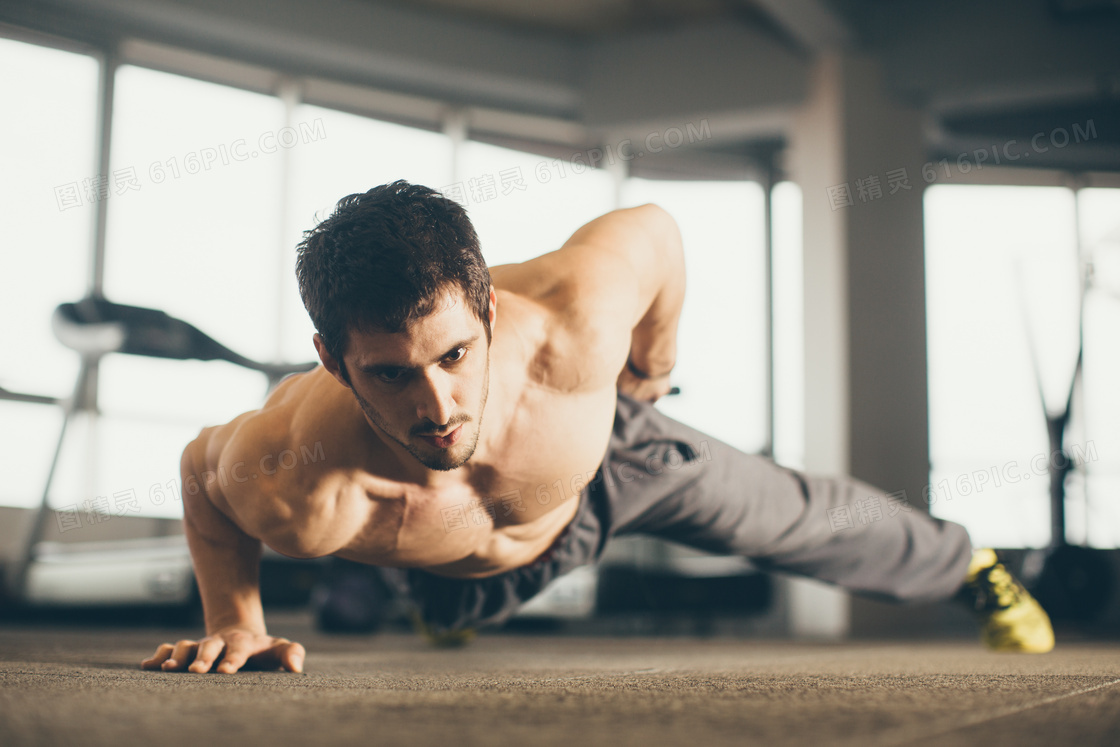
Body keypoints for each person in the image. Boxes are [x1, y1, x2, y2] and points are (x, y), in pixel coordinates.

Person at [141, 181, 1053, 675]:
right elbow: (197, 470)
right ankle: (451, 606)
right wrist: (236, 619)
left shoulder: (575, 317)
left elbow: (656, 231)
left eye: (455, 355)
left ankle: (970, 567)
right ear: (333, 360)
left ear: (490, 313)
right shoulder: (294, 472)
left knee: (792, 510)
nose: (436, 406)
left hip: (607, 457)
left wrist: (651, 366)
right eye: (390, 373)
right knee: (453, 601)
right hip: (469, 560)